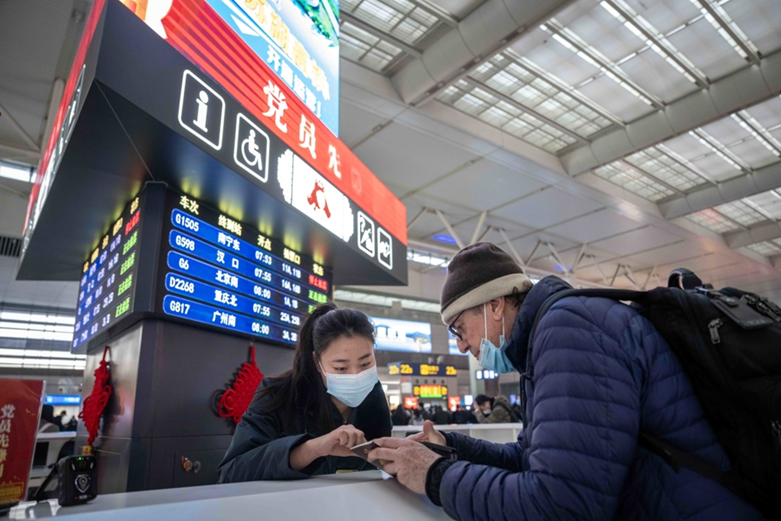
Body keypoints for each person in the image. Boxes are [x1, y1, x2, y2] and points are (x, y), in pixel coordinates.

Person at [368, 242, 761, 520]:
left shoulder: (570, 332)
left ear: (494, 304)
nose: (462, 345)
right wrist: (449, 446)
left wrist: (434, 476)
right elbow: (530, 457)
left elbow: (561, 506)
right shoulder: (545, 341)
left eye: (460, 328)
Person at [218, 303, 391, 482]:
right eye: (340, 368)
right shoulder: (279, 395)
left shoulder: (373, 395)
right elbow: (231, 473)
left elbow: (377, 465)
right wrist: (312, 449)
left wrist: (403, 453)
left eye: (365, 364)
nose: (356, 376)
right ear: (317, 362)